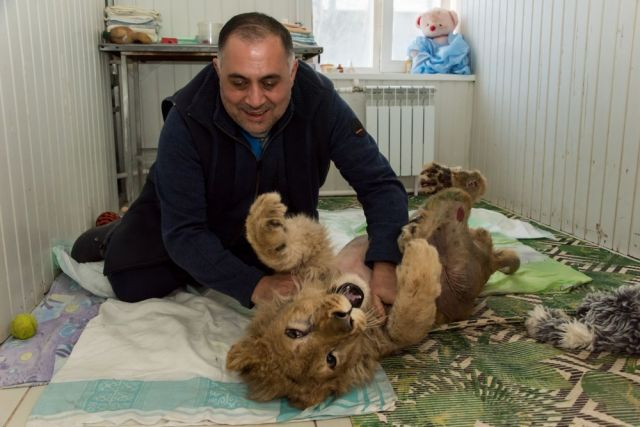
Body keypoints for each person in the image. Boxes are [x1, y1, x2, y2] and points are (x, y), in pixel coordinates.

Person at [72, 12, 408, 313]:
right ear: (218, 70)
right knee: (133, 284)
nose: (255, 100)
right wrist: (255, 287)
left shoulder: (321, 101)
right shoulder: (185, 118)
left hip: (263, 234)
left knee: (292, 276)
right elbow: (185, 233)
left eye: (270, 82)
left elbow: (379, 185)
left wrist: (385, 265)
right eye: (238, 82)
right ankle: (112, 232)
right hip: (188, 221)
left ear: (293, 72)